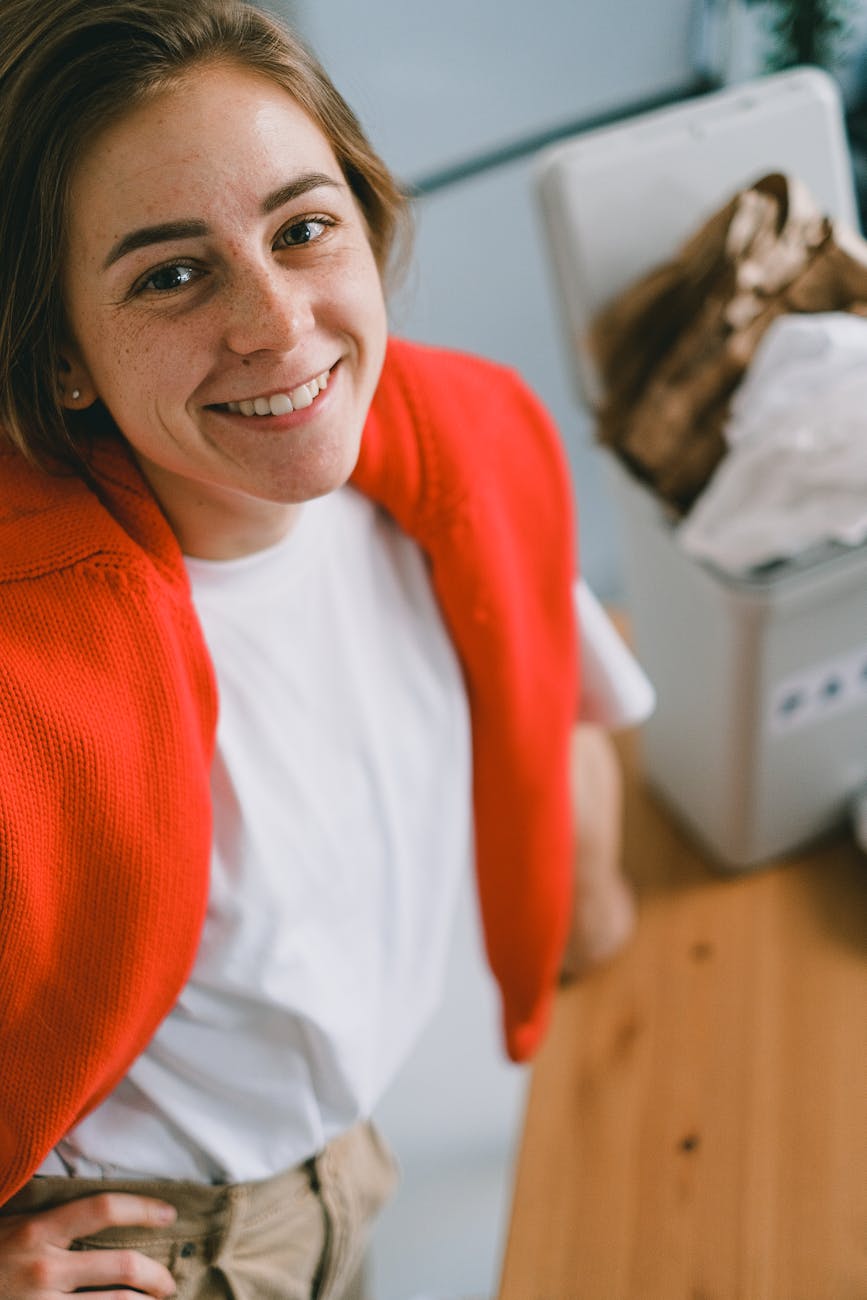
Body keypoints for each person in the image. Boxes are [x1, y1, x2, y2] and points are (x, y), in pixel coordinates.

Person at [0, 1, 639, 1295]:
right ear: (64, 355)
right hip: (145, 1245)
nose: (279, 324)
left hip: (351, 1158)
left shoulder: (467, 448)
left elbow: (556, 711)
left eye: (302, 229)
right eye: (171, 274)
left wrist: (612, 949)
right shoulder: (24, 674)